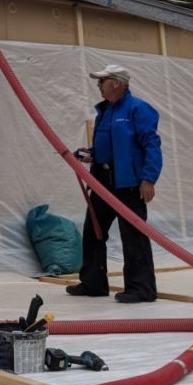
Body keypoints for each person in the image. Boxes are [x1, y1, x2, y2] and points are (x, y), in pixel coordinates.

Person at [66, 64, 162, 303]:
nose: (99, 85)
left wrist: (148, 179)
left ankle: (141, 289)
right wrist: (91, 154)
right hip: (102, 181)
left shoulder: (138, 109)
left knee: (134, 236)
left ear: (116, 83)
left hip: (128, 184)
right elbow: (109, 147)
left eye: (102, 81)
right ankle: (93, 284)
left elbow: (152, 145)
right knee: (93, 232)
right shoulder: (105, 112)